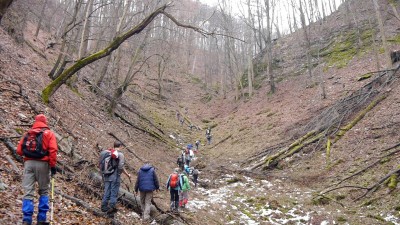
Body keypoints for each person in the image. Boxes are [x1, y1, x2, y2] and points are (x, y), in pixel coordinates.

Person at [17, 114, 58, 225]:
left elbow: (19, 151)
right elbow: (53, 151)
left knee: (28, 191)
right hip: (43, 164)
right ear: (45, 122)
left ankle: (27, 219)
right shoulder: (49, 133)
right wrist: (53, 166)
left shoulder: (28, 133)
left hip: (28, 163)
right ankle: (41, 219)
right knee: (44, 191)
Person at [99, 141, 131, 214]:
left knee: (107, 191)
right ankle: (111, 209)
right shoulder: (120, 155)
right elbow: (120, 166)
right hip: (115, 177)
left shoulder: (108, 153)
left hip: (106, 175)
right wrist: (120, 174)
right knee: (114, 193)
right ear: (120, 146)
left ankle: (103, 207)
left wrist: (127, 174)